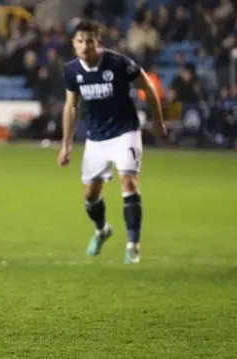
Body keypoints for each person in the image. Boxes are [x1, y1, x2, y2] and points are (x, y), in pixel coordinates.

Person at [58, 20, 167, 263]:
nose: (85, 45)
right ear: (73, 45)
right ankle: (102, 230)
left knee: (128, 182)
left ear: (98, 42)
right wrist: (65, 145)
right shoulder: (71, 71)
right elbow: (71, 106)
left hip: (125, 131)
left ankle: (133, 246)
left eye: (90, 41)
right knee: (90, 196)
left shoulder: (118, 63)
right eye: (80, 41)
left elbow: (147, 87)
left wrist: (157, 121)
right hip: (96, 137)